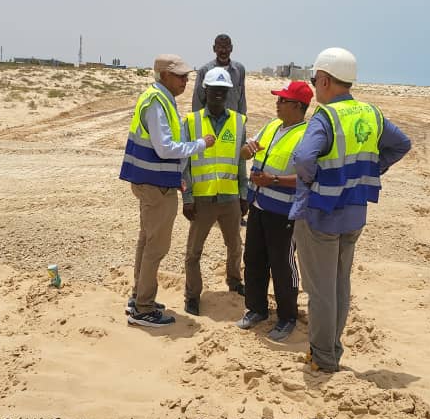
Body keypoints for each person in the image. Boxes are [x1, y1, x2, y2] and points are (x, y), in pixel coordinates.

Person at [291, 48, 412, 372]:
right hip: (354, 212)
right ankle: (332, 348)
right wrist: (371, 169)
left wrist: (315, 179)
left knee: (321, 290)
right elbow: (402, 144)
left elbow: (303, 158)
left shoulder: (326, 116)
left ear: (325, 80)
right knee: (339, 284)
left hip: (321, 213)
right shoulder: (371, 113)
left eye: (315, 80)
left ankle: (323, 357)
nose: (315, 87)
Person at [119, 54, 216, 327]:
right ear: (164, 76)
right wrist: (200, 144)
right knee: (156, 247)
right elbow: (165, 148)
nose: (186, 81)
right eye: (180, 76)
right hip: (156, 185)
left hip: (153, 181)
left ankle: (138, 296)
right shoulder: (157, 102)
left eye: (187, 76)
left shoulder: (159, 98)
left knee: (146, 241)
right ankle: (143, 308)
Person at [236, 80, 313, 341]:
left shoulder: (307, 136)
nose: (277, 103)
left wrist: (275, 180)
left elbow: (310, 178)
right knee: (253, 259)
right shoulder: (271, 126)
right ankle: (256, 309)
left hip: (284, 212)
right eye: (278, 99)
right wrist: (247, 151)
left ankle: (287, 317)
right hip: (258, 204)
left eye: (282, 100)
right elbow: (245, 153)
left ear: (298, 106)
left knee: (283, 265)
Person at [181, 68, 248, 316]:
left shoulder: (239, 121)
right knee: (193, 252)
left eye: (223, 90)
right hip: (202, 199)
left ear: (229, 93)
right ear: (205, 91)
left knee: (235, 246)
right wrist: (187, 198)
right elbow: (184, 164)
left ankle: (234, 281)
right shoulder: (191, 121)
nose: (219, 94)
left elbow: (240, 162)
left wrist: (244, 194)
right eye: (214, 89)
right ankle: (192, 296)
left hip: (230, 198)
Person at [193, 34, 247, 115]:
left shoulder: (239, 70)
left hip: (233, 120)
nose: (223, 51)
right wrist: (197, 119)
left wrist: (242, 118)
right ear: (214, 49)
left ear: (231, 48)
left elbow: (242, 98)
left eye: (227, 47)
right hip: (211, 120)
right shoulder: (205, 71)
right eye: (220, 47)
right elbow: (198, 100)